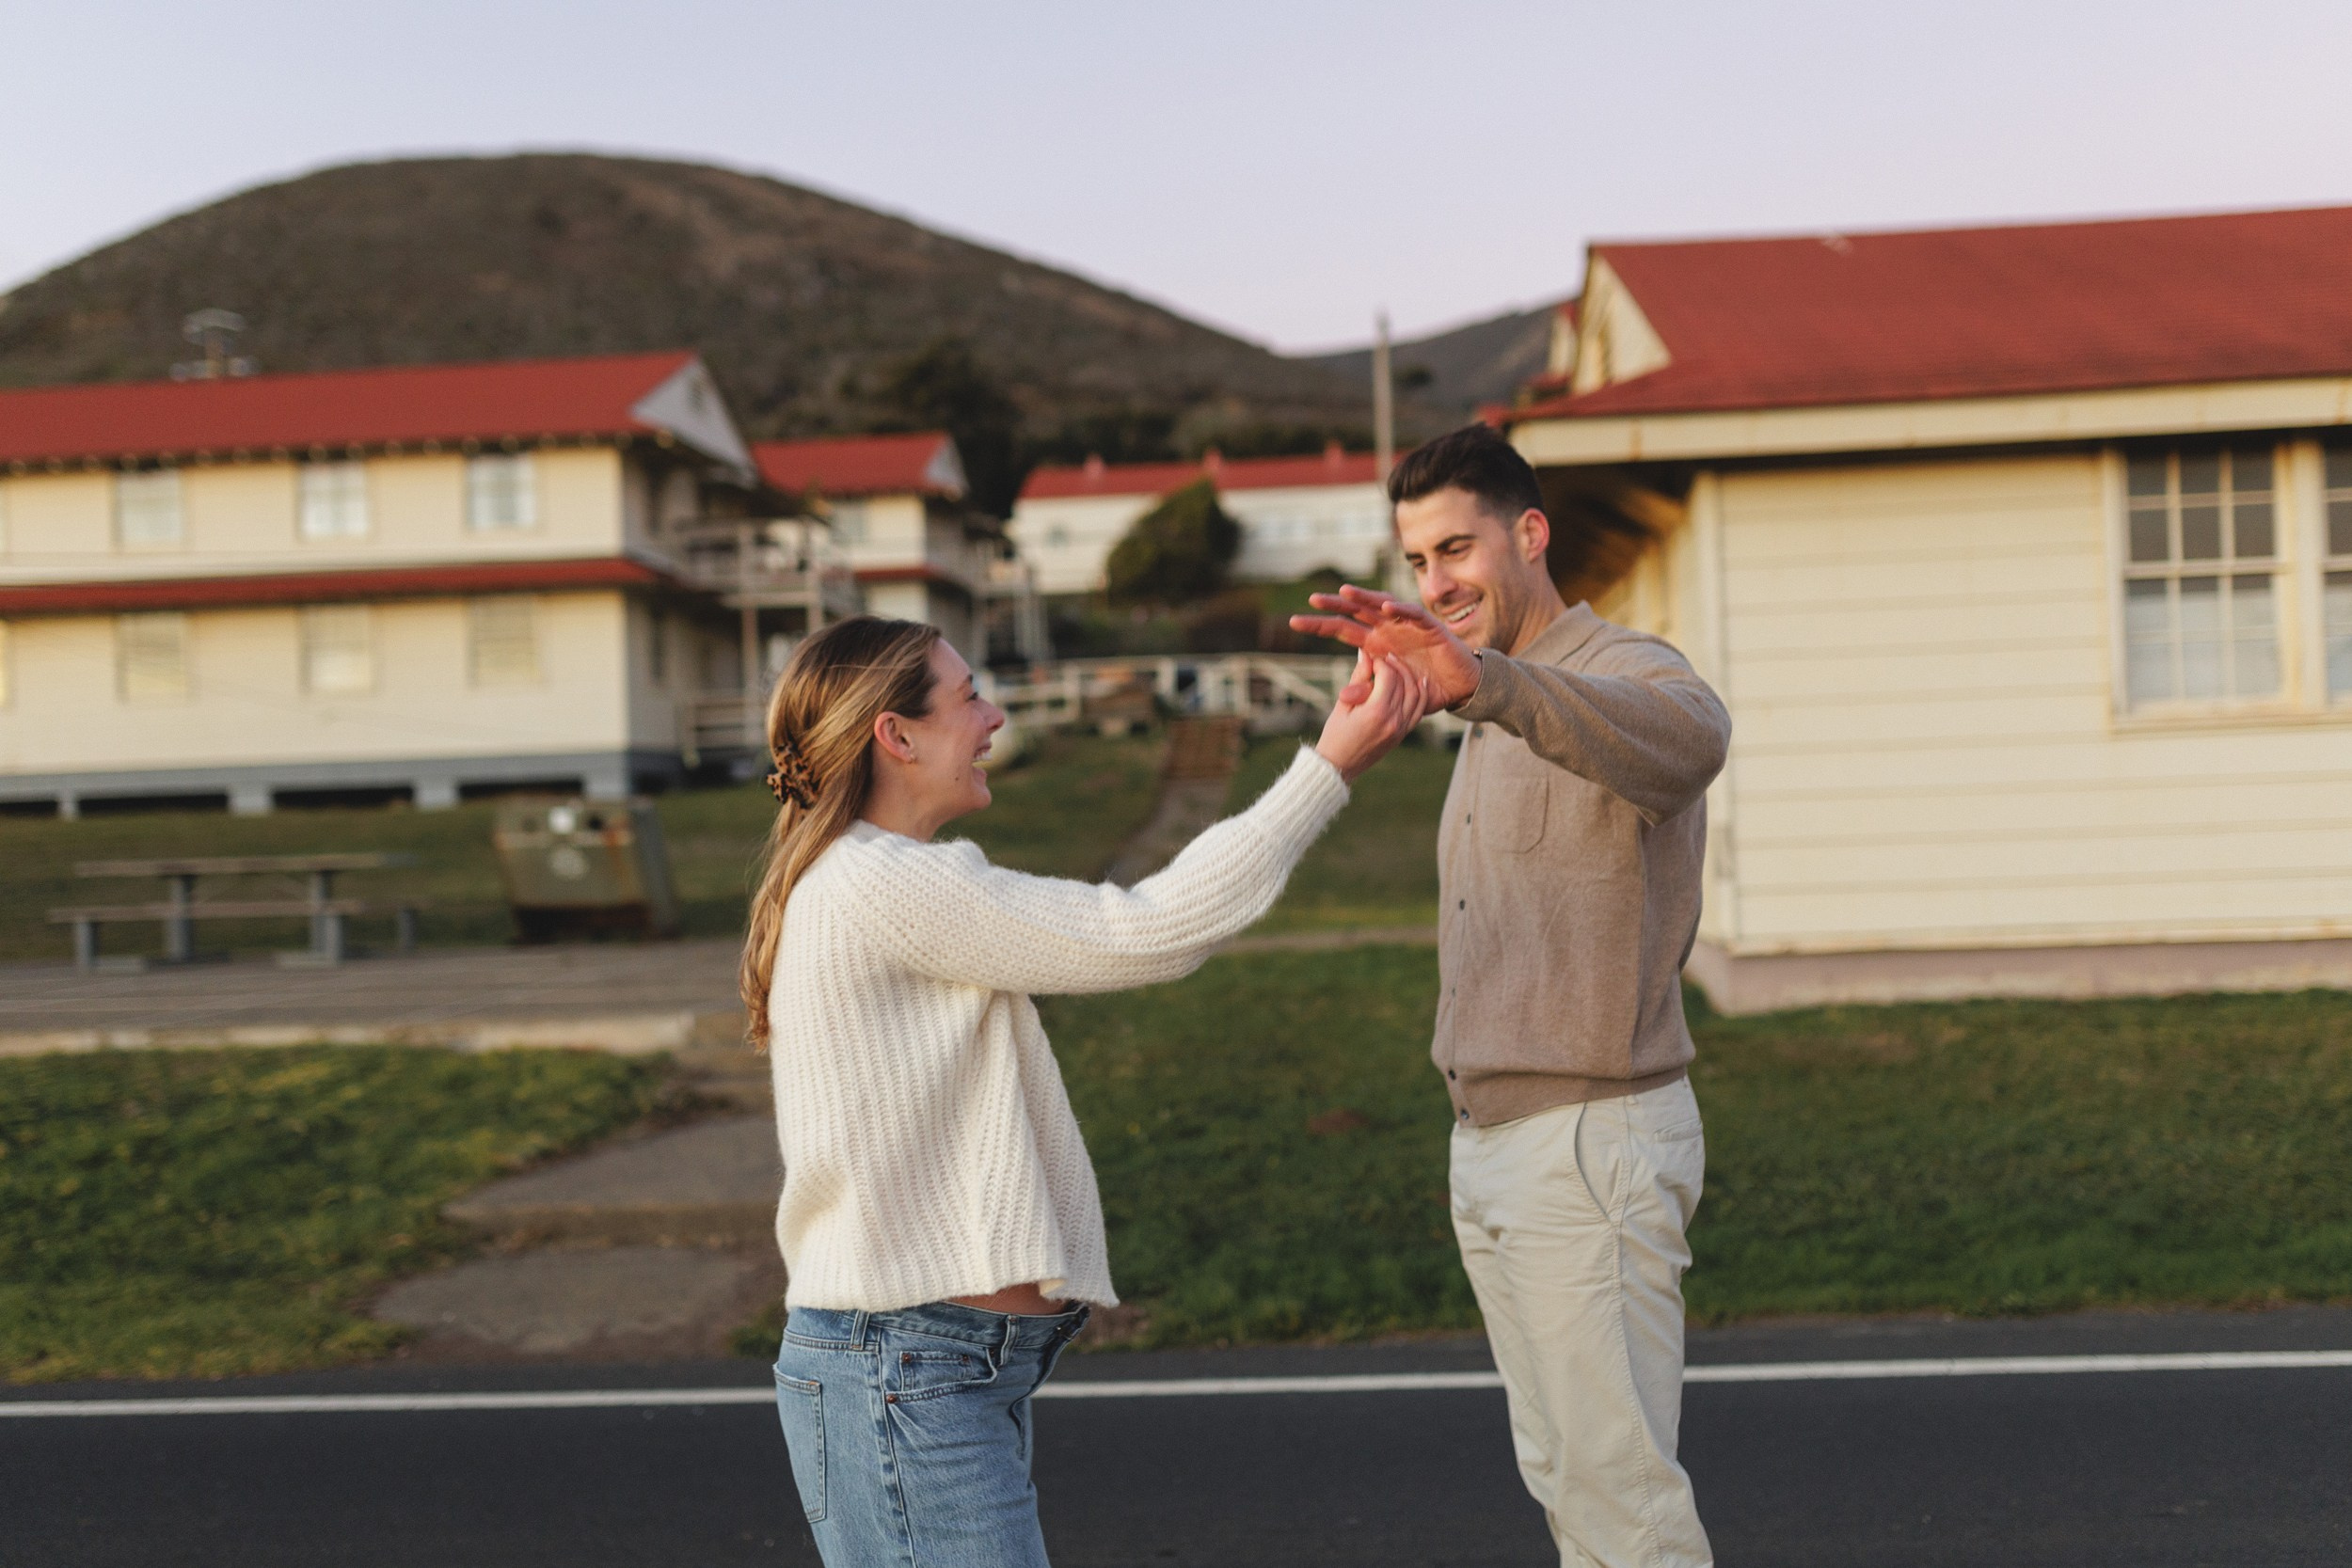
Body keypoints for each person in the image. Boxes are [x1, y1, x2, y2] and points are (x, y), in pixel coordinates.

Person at [740, 614, 1426, 1567]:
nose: (994, 713)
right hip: (905, 1364)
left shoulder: (861, 878)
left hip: (921, 1365)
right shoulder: (880, 883)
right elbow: (1154, 929)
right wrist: (1332, 762)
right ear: (894, 735)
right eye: (968, 694)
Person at [1292, 423, 1732, 1568]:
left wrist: (1489, 684)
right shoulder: (1477, 706)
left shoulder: (1624, 672)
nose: (1435, 584)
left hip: (1591, 1139)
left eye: (1456, 548)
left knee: (1621, 1498)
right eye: (1416, 562)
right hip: (1490, 1146)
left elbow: (1692, 739)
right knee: (1566, 1478)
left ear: (1528, 534)